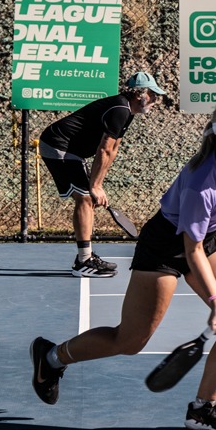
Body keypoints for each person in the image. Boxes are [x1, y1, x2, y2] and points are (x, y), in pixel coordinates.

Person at [29, 99, 216, 430]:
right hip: (167, 246)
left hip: (207, 238)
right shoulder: (202, 185)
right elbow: (192, 250)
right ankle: (52, 357)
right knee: (129, 341)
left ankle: (202, 410)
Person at [38, 71, 166, 277]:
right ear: (139, 94)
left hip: (74, 151)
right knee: (85, 198)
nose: (156, 100)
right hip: (58, 145)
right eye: (153, 95)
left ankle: (85, 257)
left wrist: (98, 183)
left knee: (88, 196)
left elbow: (113, 148)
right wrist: (94, 187)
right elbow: (104, 150)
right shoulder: (119, 108)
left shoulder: (127, 111)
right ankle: (83, 262)